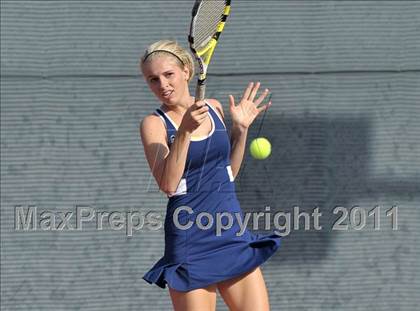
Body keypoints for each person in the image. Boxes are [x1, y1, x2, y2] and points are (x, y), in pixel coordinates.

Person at [139, 39, 281, 311]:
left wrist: (240, 131)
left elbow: (227, 173)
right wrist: (184, 132)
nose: (162, 85)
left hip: (231, 232)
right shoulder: (154, 124)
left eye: (168, 74)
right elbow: (168, 184)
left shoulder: (214, 107)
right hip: (191, 239)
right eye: (153, 79)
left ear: (187, 71)